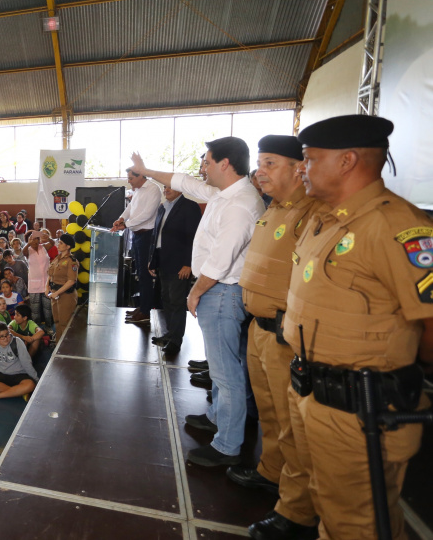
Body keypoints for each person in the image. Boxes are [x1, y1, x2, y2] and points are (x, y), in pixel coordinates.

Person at [269, 115, 432, 540]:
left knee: (357, 523)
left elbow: (430, 320)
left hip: (361, 407)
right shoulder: (326, 220)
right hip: (313, 390)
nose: (302, 168)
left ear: (347, 162)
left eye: (309, 159)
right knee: (330, 505)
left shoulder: (395, 225)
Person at [131, 138, 264, 468]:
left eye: (207, 162)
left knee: (226, 372)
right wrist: (146, 170)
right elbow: (182, 181)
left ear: (225, 164)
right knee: (222, 370)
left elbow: (220, 261)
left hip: (221, 292)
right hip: (218, 292)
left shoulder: (239, 204)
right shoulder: (224, 194)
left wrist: (196, 291)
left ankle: (227, 445)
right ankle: (218, 417)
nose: (202, 168)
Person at [228, 135, 322, 538]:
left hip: (287, 335)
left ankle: (296, 510)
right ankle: (271, 472)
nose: (259, 172)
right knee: (269, 414)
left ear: (297, 168)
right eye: (259, 163)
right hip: (260, 328)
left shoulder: (312, 214)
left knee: (292, 424)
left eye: (268, 163)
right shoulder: (275, 211)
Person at [148, 185, 202, 356]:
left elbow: (194, 236)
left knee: (177, 301)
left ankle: (175, 341)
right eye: (165, 187)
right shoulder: (163, 207)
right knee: (166, 299)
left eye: (170, 187)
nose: (166, 190)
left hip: (180, 263)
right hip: (163, 260)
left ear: (180, 188)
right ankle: (169, 334)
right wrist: (152, 260)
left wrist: (189, 263)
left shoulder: (189, 207)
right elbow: (156, 235)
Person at [112, 168, 161, 324]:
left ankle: (146, 311)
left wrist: (126, 224)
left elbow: (147, 214)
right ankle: (142, 307)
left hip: (147, 236)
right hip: (137, 235)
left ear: (140, 176)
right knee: (140, 273)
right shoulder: (138, 191)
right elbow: (130, 208)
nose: (129, 181)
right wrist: (120, 219)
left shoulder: (153, 189)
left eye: (131, 178)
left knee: (146, 274)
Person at [0, 321, 38, 401]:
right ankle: (19, 392)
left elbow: (26, 362)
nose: (6, 338)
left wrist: (36, 380)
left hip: (19, 374)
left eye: (7, 335)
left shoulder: (17, 342)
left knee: (30, 385)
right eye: (1, 337)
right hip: (1, 374)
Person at [46, 234, 78, 339]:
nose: (58, 245)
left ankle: (66, 348)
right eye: (58, 242)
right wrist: (47, 287)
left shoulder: (71, 261)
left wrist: (57, 293)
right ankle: (58, 344)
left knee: (65, 322)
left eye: (61, 243)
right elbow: (50, 274)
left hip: (66, 295)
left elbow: (71, 281)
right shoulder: (57, 258)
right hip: (55, 293)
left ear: (68, 246)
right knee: (57, 321)